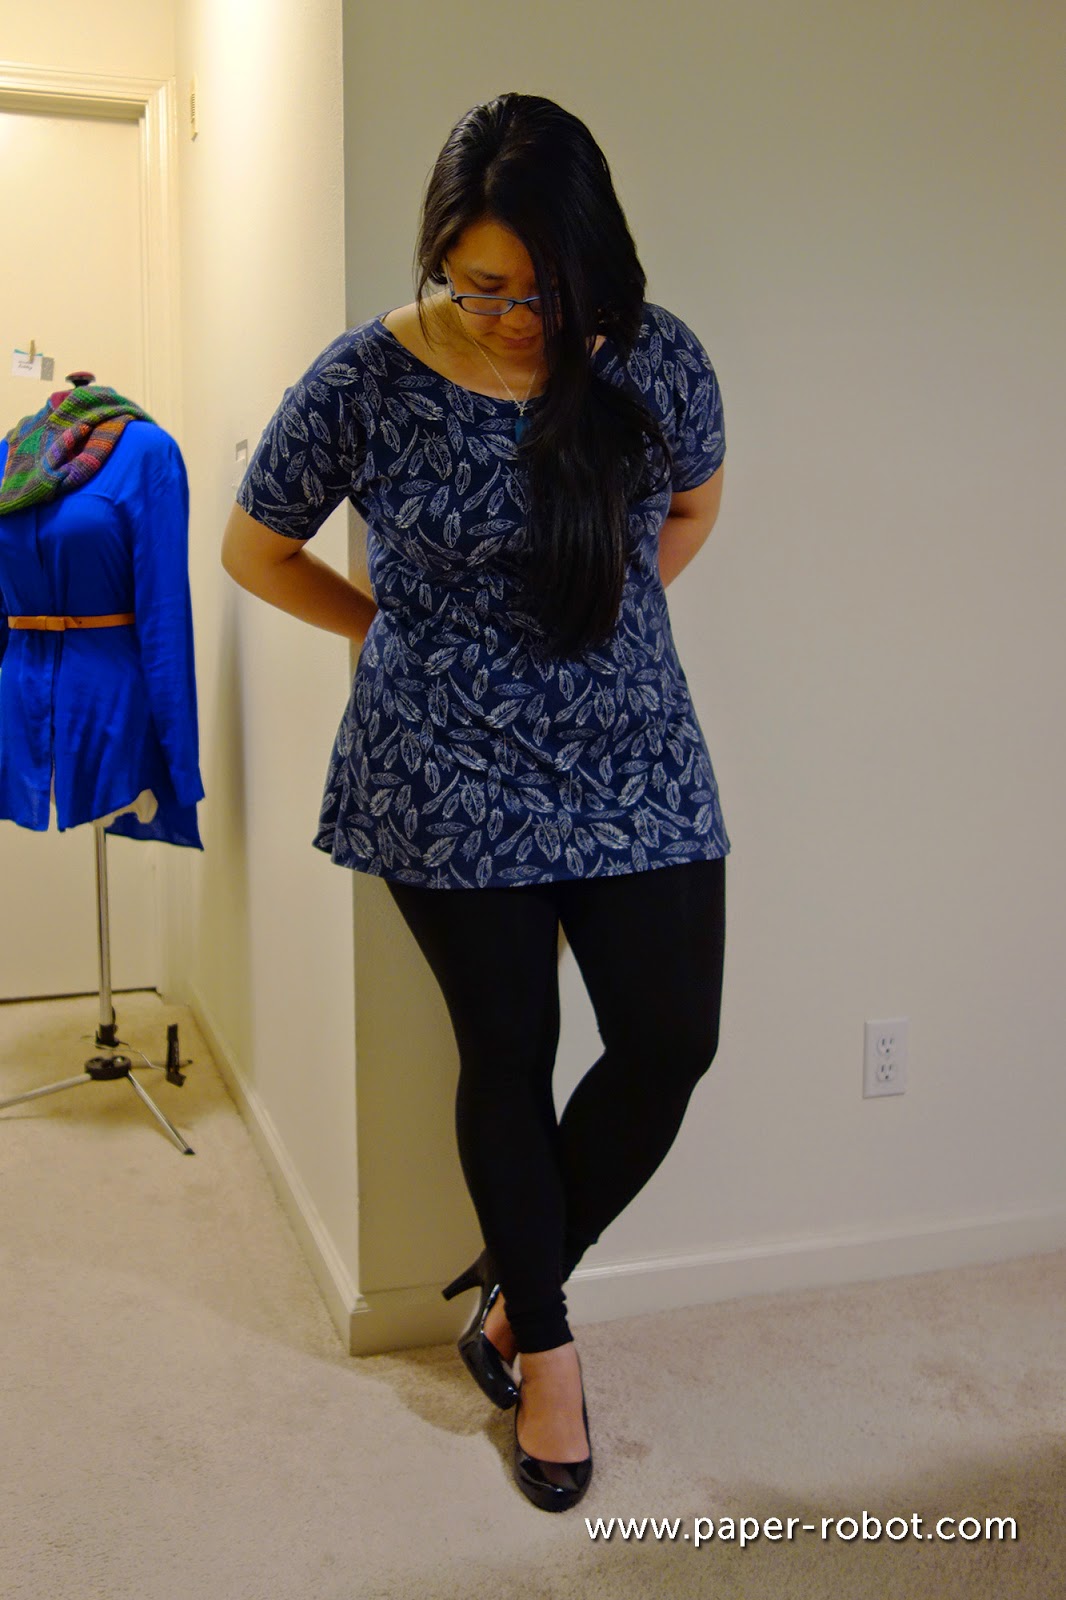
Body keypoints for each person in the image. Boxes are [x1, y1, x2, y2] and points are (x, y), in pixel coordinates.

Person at [222, 92, 728, 1514]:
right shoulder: (365, 379)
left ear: (593, 261)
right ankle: (548, 1354)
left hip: (636, 759)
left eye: (536, 290)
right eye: (475, 284)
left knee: (670, 1044)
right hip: (442, 769)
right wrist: (392, 638)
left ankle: (508, 1297)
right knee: (509, 1051)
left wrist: (599, 629)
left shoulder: (656, 358)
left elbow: (693, 508)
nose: (507, 317)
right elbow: (254, 549)